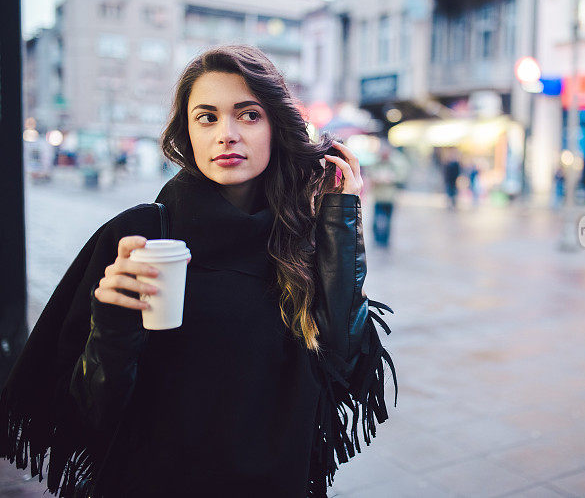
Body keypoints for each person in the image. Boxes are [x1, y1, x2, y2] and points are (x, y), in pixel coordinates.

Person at [0, 45, 397, 498]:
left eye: (248, 115)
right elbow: (93, 411)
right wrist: (110, 322)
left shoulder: (297, 237)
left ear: (276, 128)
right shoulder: (141, 236)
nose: (226, 134)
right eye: (207, 117)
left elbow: (342, 360)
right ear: (187, 133)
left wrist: (340, 217)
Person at [367, 145, 409, 248]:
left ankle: (385, 240)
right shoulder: (375, 163)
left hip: (390, 197)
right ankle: (377, 239)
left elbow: (401, 177)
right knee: (377, 220)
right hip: (378, 197)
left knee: (388, 220)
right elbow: (370, 176)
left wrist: (391, 178)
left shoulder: (396, 163)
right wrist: (377, 179)